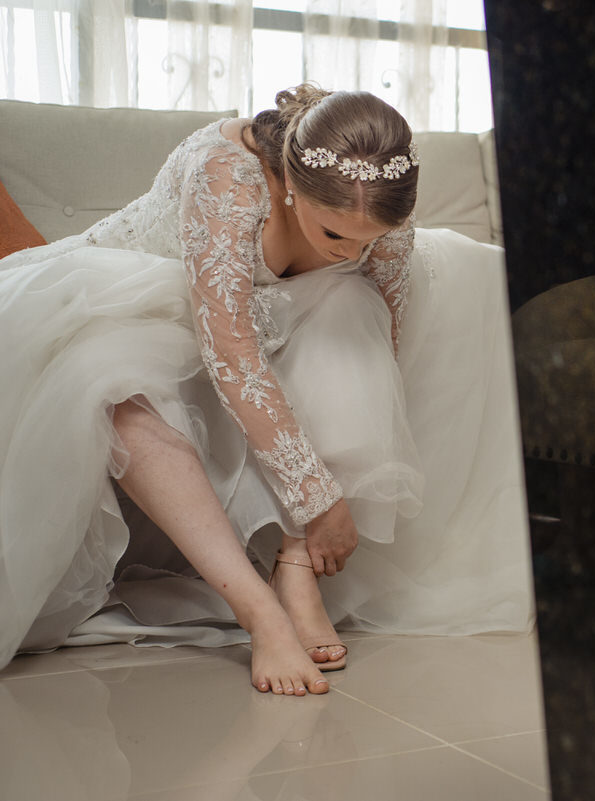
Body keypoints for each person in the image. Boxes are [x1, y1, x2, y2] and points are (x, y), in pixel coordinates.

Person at [0, 85, 533, 695]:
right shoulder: (229, 181)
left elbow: (380, 342)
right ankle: (259, 614)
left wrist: (315, 517)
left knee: (351, 307)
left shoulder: (381, 212)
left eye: (369, 240)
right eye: (336, 237)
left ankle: (296, 567)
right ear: (289, 187)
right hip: (142, 305)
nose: (354, 252)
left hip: (276, 322)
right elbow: (230, 350)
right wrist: (317, 497)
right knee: (112, 379)